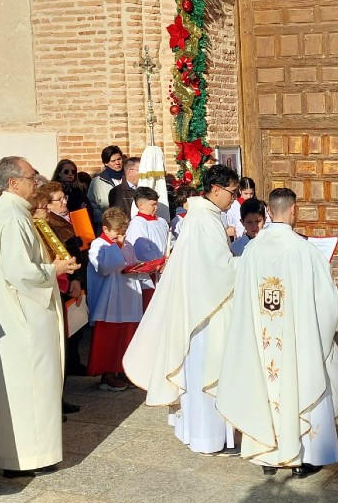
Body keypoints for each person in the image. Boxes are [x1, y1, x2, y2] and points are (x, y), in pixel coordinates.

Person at [0, 157, 80, 478]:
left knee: (21, 386)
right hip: (21, 316)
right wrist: (54, 268)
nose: (36, 182)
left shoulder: (10, 211)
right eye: (31, 177)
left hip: (15, 313)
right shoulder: (12, 216)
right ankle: (26, 457)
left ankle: (20, 455)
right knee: (29, 385)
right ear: (13, 183)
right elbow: (19, 271)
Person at [216, 187, 338, 478]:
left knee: (265, 386)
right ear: (294, 210)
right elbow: (327, 301)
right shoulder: (305, 251)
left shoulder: (252, 250)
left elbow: (242, 298)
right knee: (300, 384)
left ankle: (268, 455)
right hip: (296, 341)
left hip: (261, 339)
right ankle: (303, 458)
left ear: (269, 212)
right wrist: (320, 338)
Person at [124, 164, 241, 455]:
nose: (234, 197)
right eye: (232, 192)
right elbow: (219, 269)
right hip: (205, 313)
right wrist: (252, 260)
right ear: (216, 189)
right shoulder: (205, 220)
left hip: (201, 305)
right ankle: (208, 438)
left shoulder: (203, 215)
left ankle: (201, 435)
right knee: (206, 372)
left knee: (200, 373)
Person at [32, 181, 90, 390]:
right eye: (58, 200)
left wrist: (76, 279)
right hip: (55, 281)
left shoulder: (56, 222)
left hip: (68, 277)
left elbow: (70, 252)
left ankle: (67, 374)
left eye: (64, 198)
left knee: (71, 331)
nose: (64, 202)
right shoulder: (40, 226)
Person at [87, 208, 146, 392]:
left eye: (123, 234)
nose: (121, 238)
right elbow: (104, 267)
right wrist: (117, 247)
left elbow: (132, 262)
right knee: (109, 338)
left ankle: (123, 371)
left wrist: (143, 267)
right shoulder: (98, 245)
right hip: (109, 300)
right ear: (105, 229)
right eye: (116, 235)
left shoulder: (126, 243)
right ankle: (107, 374)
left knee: (127, 336)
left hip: (127, 296)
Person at [126, 186, 169, 308]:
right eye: (153, 204)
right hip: (149, 275)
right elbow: (141, 252)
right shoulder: (137, 223)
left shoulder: (162, 222)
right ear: (141, 205)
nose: (156, 207)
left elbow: (169, 242)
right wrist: (159, 264)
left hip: (164, 269)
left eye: (156, 204)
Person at [90, 145, 126, 219]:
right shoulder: (97, 182)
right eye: (113, 161)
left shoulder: (129, 177)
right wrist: (104, 219)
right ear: (106, 163)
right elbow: (92, 205)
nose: (117, 163)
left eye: (119, 159)